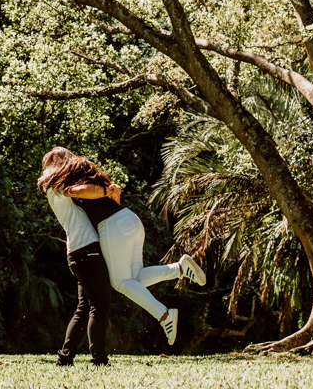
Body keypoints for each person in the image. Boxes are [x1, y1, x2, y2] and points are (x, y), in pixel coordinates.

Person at [38, 146, 206, 347]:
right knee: (134, 277)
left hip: (113, 226)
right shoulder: (87, 170)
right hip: (131, 220)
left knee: (119, 282)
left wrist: (96, 191)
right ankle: (179, 269)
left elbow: (83, 191)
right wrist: (109, 190)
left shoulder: (69, 182)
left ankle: (163, 315)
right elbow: (115, 193)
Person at [39, 152, 114, 366]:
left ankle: (65, 359)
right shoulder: (58, 187)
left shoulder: (53, 188)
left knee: (84, 308)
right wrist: (106, 191)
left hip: (79, 252)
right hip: (86, 250)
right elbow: (85, 191)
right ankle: (99, 360)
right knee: (100, 305)